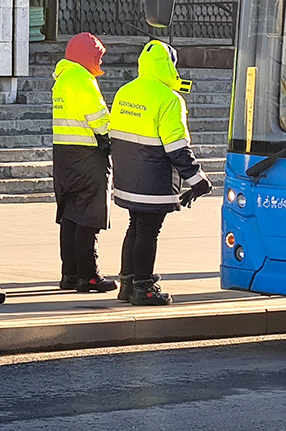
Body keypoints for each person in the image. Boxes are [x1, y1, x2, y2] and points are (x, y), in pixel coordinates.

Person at [110, 40, 213, 305]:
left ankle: (128, 284)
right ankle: (144, 288)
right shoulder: (169, 99)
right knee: (147, 231)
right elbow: (177, 147)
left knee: (135, 226)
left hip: (128, 174)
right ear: (168, 66)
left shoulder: (125, 91)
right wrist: (198, 181)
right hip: (152, 177)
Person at [52, 33, 117, 293]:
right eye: (97, 55)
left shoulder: (62, 79)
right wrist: (114, 139)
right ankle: (89, 276)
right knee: (88, 218)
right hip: (88, 157)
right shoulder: (82, 79)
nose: (99, 60)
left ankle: (69, 275)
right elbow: (100, 120)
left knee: (69, 217)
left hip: (64, 157)